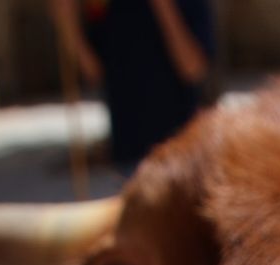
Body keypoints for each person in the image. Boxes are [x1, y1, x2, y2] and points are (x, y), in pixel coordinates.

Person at [52, 0, 214, 176]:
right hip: (129, 155)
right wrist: (66, 24)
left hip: (183, 156)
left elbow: (193, 69)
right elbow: (94, 71)